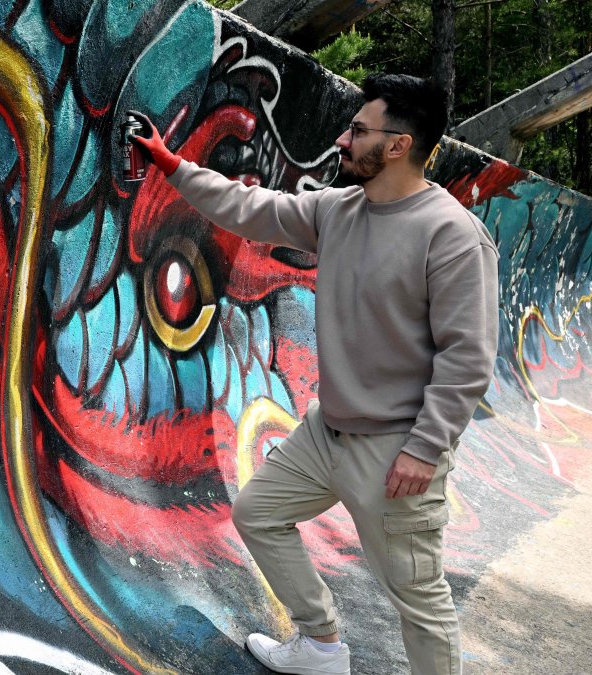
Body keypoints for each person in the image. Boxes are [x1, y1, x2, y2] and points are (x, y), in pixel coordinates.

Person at [128, 73, 498, 675]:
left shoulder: (452, 236)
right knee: (258, 514)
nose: (342, 140)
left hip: (397, 450)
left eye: (358, 130)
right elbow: (250, 209)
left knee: (419, 600)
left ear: (398, 145)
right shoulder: (338, 210)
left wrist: (425, 448)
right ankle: (322, 647)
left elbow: (468, 357)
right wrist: (172, 165)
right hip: (328, 433)